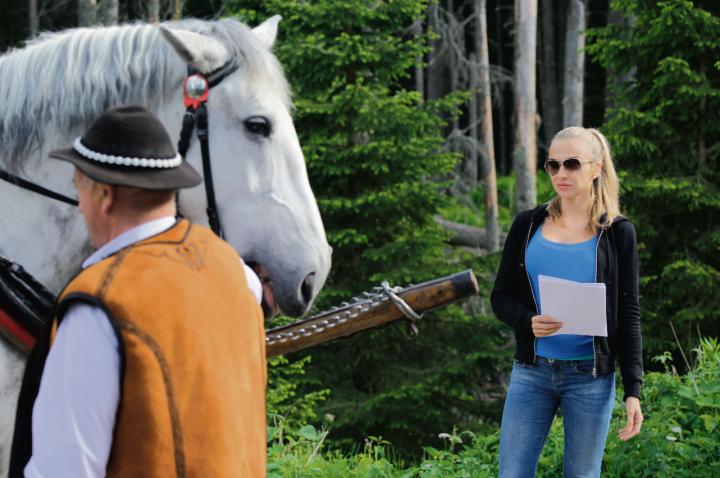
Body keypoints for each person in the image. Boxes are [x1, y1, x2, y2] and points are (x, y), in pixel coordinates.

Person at [10, 105, 268, 477]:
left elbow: (63, 470)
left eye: (79, 188)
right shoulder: (236, 273)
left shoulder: (99, 307)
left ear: (104, 195)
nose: (79, 207)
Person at [491, 126, 643, 477]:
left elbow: (629, 313)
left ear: (596, 168)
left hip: (590, 377)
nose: (561, 173)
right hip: (532, 371)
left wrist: (633, 390)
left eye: (572, 164)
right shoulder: (527, 225)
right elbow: (500, 297)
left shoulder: (618, 233)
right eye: (553, 165)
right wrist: (528, 320)